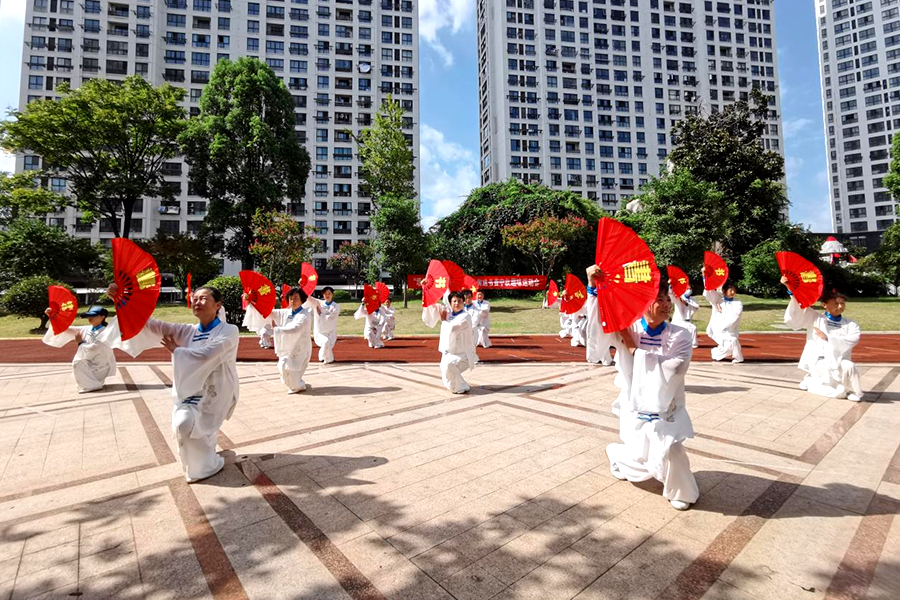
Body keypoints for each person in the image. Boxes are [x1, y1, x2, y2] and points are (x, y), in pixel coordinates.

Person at [111, 284, 239, 483]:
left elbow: (208, 354)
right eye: (195, 298)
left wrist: (177, 351)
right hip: (190, 391)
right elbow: (151, 325)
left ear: (218, 305)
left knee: (201, 427)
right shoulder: (186, 331)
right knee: (184, 424)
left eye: (203, 298)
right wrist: (121, 301)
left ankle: (208, 461)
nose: (197, 302)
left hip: (216, 392)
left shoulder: (229, 330)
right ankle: (204, 464)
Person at [605, 280, 699, 511]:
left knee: (671, 446)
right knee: (639, 453)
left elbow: (676, 366)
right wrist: (594, 286)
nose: (667, 304)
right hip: (634, 402)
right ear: (644, 304)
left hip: (667, 403)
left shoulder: (681, 333)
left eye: (668, 299)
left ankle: (682, 491)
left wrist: (634, 351)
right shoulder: (630, 329)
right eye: (660, 299)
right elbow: (602, 324)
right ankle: (616, 454)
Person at [782, 281, 863, 401]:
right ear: (824, 305)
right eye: (835, 303)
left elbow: (853, 339)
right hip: (819, 360)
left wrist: (828, 338)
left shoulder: (850, 324)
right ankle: (810, 381)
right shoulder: (816, 318)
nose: (840, 306)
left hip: (839, 359)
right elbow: (799, 308)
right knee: (838, 392)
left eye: (842, 303)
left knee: (849, 366)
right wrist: (790, 288)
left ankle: (856, 392)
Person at [42, 305, 118, 393]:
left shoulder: (105, 332)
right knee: (78, 362)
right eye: (89, 315)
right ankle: (89, 383)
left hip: (100, 366)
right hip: (90, 363)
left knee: (78, 362)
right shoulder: (87, 328)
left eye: (93, 315)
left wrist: (80, 343)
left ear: (102, 317)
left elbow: (94, 349)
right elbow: (66, 329)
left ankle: (92, 385)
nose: (90, 318)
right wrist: (52, 317)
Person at [423, 291, 479, 394]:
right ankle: (460, 385)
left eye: (459, 301)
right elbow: (432, 307)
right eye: (454, 301)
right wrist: (426, 290)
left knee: (449, 366)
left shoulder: (465, 316)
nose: (457, 303)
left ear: (464, 302)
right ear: (450, 302)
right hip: (448, 351)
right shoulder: (448, 312)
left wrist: (444, 320)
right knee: (445, 370)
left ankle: (461, 386)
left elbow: (453, 329)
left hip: (462, 355)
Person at [262, 287, 312, 393]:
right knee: (283, 367)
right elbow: (268, 312)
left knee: (293, 370)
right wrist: (252, 301)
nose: (293, 301)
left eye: (296, 298)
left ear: (302, 300)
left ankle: (298, 384)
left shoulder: (305, 315)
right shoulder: (286, 312)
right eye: (291, 298)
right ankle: (298, 384)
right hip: (287, 347)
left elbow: (295, 329)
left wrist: (276, 329)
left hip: (300, 349)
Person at [704, 280, 743, 363]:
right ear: (724, 291)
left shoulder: (737, 303)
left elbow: (736, 314)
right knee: (731, 342)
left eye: (734, 290)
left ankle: (716, 353)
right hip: (720, 328)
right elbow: (709, 292)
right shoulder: (718, 300)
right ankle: (738, 357)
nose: (733, 292)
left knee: (730, 343)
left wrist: (727, 323)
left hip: (731, 329)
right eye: (730, 290)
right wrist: (705, 277)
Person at [585, 268, 614, 366]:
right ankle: (593, 356)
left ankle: (605, 357)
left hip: (607, 299)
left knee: (607, 330)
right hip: (594, 298)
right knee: (595, 327)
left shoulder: (612, 273)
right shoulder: (593, 269)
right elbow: (589, 272)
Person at [307, 286, 340, 363]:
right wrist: (303, 286)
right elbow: (308, 298)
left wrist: (321, 314)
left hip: (330, 331)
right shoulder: (319, 303)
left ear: (332, 295)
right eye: (325, 294)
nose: (327, 295)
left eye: (329, 293)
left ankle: (324, 357)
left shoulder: (336, 306)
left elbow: (331, 317)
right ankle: (327, 359)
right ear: (323, 295)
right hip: (320, 331)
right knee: (325, 342)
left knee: (327, 344)